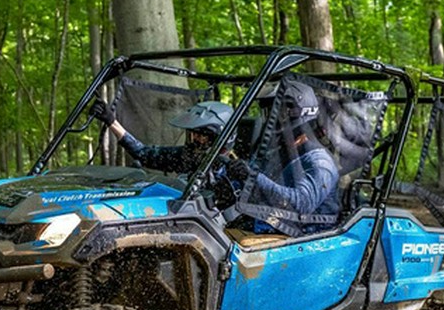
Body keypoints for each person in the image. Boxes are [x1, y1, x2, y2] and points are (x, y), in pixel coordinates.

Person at [227, 81, 339, 236]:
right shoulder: (277, 152)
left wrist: (252, 177)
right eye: (267, 113)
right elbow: (259, 190)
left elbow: (301, 204)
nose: (269, 121)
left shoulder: (319, 161)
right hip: (275, 228)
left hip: (307, 240)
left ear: (293, 112)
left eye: (276, 113)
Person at [90, 99, 234, 174]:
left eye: (202, 136)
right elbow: (143, 153)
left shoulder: (235, 169)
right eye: (194, 134)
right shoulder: (188, 156)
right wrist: (111, 121)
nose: (196, 139)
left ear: (219, 138)